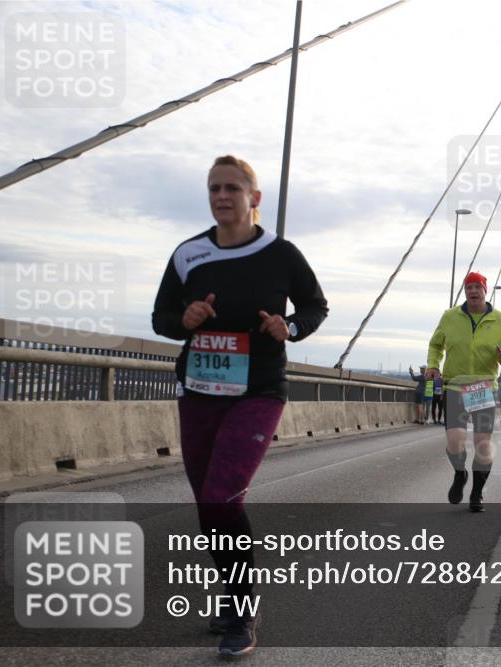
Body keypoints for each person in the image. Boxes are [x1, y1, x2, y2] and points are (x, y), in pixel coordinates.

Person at [152, 155, 328, 656]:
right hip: (199, 390)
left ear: (254, 198)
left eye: (232, 188)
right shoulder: (188, 255)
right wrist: (184, 319)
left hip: (258, 391)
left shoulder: (282, 254)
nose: (221, 196)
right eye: (214, 188)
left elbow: (315, 305)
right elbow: (161, 317)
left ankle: (242, 612)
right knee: (208, 502)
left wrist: (288, 327)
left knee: (223, 494)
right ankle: (231, 598)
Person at [426, 271, 501, 512]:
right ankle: (460, 474)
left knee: (482, 445)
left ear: (485, 290)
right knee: (455, 442)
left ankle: (477, 493)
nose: (473, 291)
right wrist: (433, 365)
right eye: (468, 287)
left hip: (483, 388)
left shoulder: (499, 320)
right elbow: (436, 344)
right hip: (456, 386)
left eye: (477, 287)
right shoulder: (449, 317)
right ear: (465, 291)